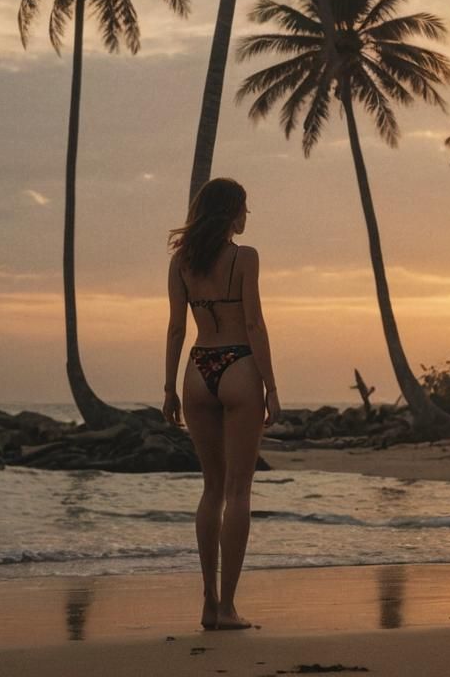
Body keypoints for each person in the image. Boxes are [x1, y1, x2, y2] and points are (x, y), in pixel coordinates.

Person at [163, 177, 280, 631]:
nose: (247, 216)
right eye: (244, 208)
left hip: (197, 369)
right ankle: (228, 608)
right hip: (238, 365)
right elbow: (253, 322)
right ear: (232, 212)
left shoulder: (181, 263)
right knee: (238, 492)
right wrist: (270, 385)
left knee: (211, 489)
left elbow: (176, 328)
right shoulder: (245, 258)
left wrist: (168, 388)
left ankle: (208, 604)